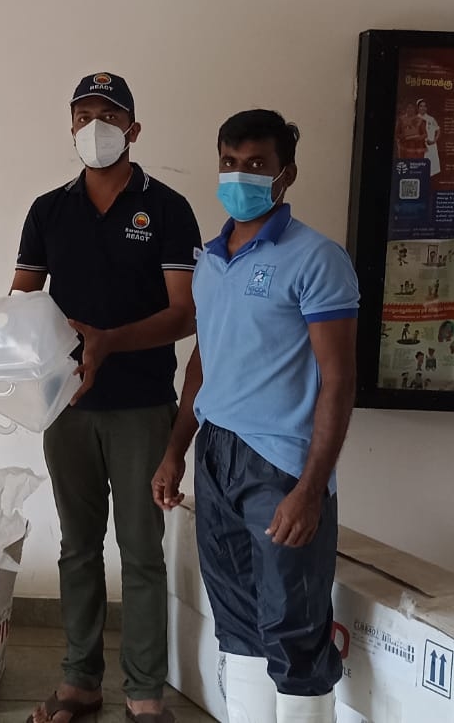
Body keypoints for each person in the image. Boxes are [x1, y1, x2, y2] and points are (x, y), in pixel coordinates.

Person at [153, 109, 361, 723]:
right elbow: (204, 360)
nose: (239, 175)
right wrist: (175, 450)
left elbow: (339, 379)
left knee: (294, 627)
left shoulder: (316, 259)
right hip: (216, 453)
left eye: (256, 164)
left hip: (280, 466)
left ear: (285, 174)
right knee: (238, 623)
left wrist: (310, 489)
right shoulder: (210, 260)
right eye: (230, 162)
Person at [12, 72, 201, 723]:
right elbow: (22, 303)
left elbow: (185, 313)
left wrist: (108, 341)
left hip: (142, 406)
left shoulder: (167, 208)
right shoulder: (48, 210)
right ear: (70, 125)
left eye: (109, 115)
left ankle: (144, 692)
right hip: (65, 405)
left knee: (142, 551)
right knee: (77, 547)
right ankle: (79, 682)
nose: (95, 126)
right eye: (83, 114)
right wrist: (7, 345)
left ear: (133, 129)